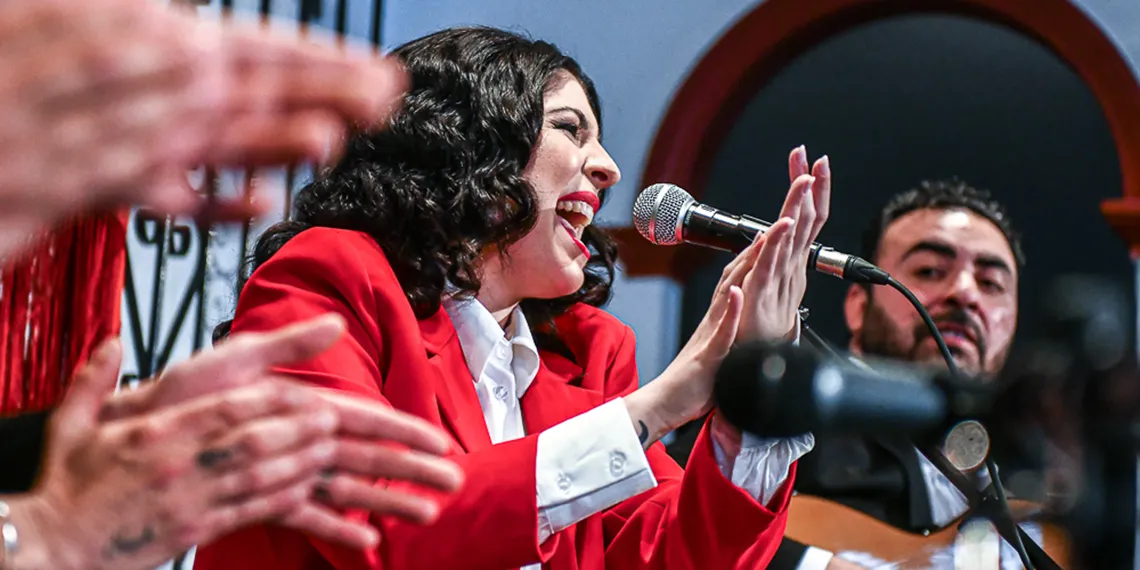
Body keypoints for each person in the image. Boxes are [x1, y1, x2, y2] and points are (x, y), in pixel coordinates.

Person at [193, 26, 832, 570]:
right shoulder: (327, 277)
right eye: (570, 129)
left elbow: (671, 555)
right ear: (467, 148)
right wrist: (661, 404)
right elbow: (379, 527)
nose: (608, 166)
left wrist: (756, 402)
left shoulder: (591, 351)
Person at [0, 0, 467, 567]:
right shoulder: (336, 267)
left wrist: (62, 508)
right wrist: (43, 530)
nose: (605, 167)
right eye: (567, 129)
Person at [770, 179, 1026, 569]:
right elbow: (680, 519)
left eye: (990, 283)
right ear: (858, 305)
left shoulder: (1041, 462)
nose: (964, 293)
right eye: (929, 270)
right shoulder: (788, 403)